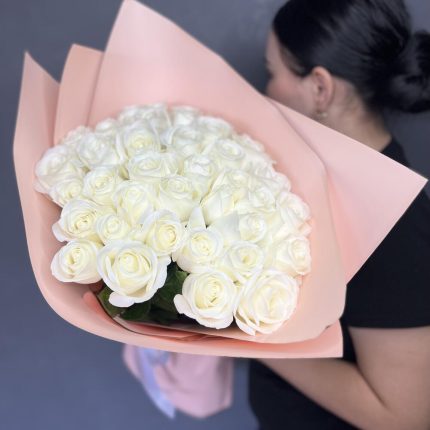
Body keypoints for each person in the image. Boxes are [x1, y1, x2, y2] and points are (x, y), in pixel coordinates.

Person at [248, 1, 430, 429]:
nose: (266, 90)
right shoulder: (322, 177)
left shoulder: (395, 229)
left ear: (320, 88)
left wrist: (240, 333)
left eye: (273, 72)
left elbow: (405, 417)